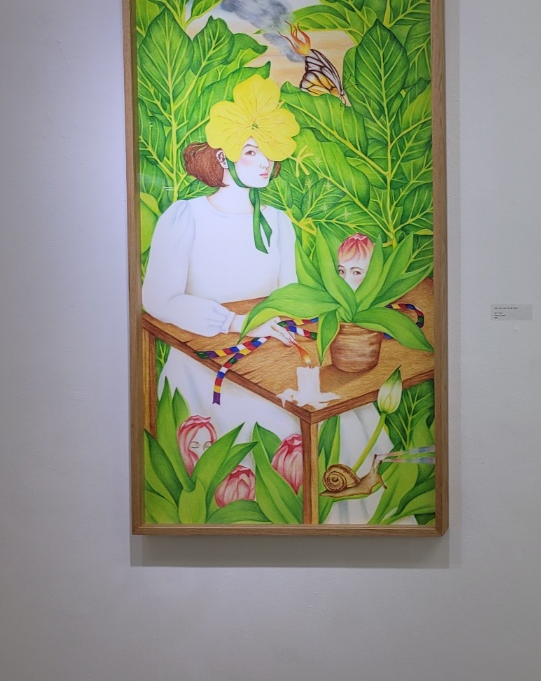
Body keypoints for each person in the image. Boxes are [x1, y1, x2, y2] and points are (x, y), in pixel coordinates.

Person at [142, 75, 390, 523]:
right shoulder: (185, 217)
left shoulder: (277, 220)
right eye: (252, 151)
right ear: (223, 156)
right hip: (205, 356)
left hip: (269, 349)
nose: (264, 163)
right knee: (273, 421)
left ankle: (357, 512)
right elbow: (157, 300)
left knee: (342, 411)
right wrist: (236, 324)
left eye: (269, 153)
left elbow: (289, 294)